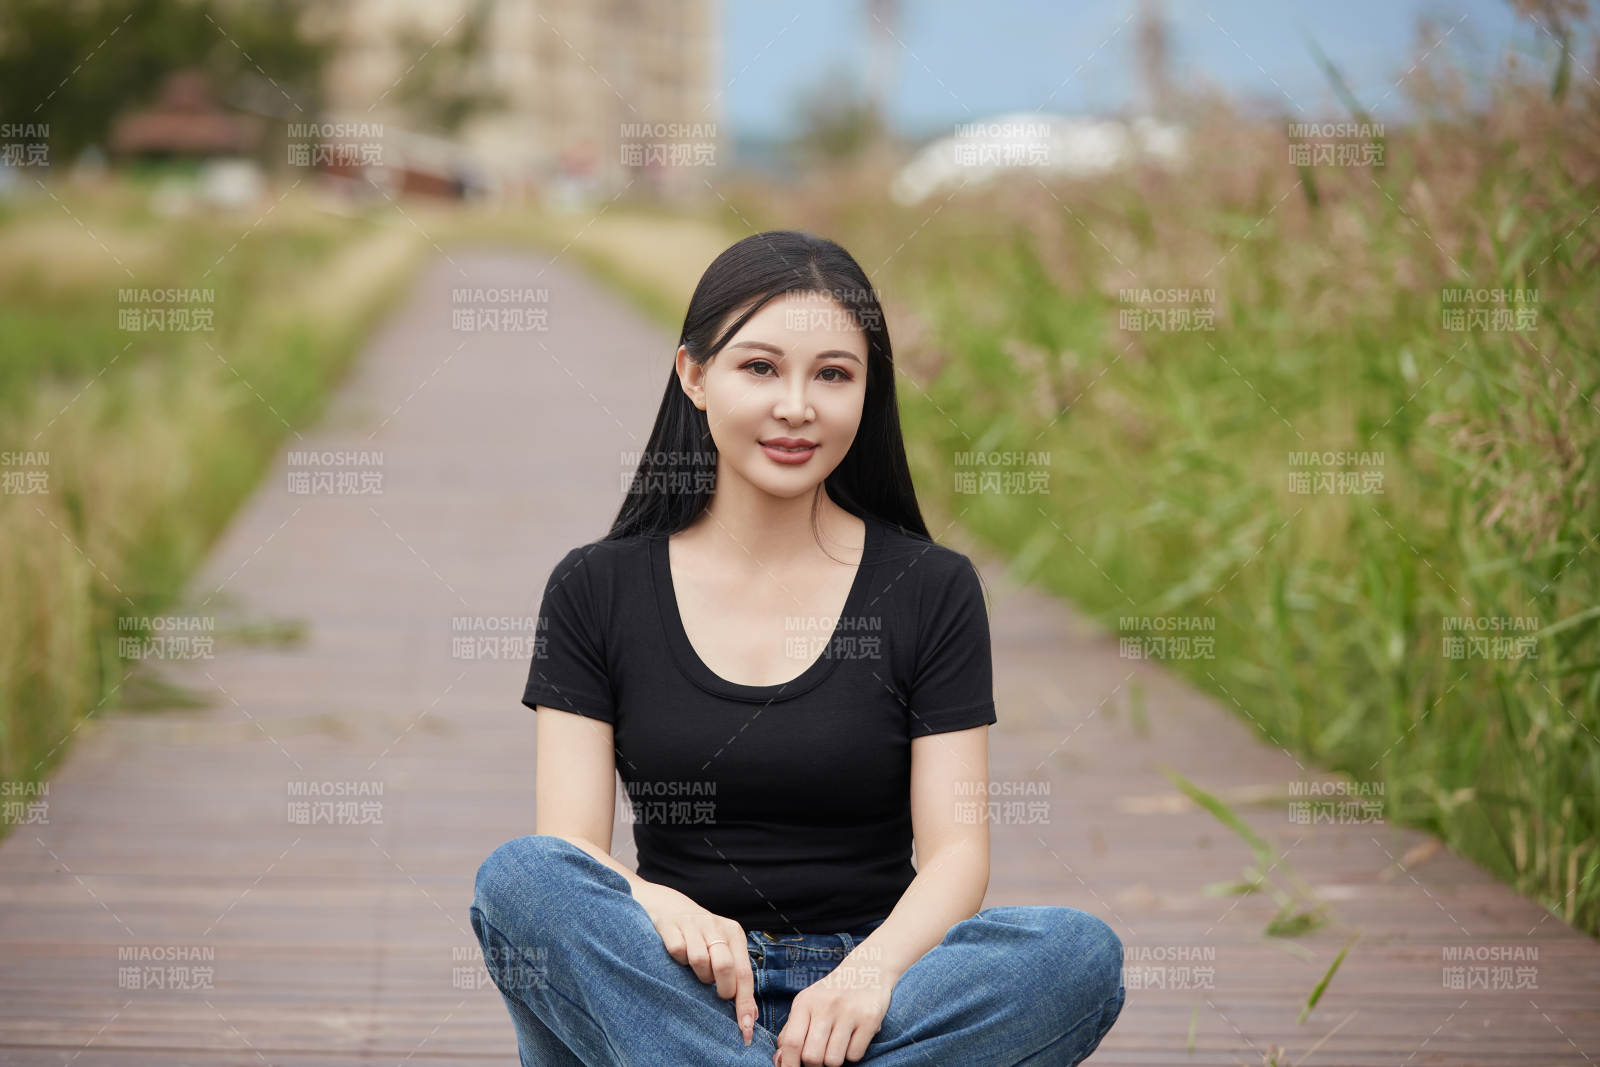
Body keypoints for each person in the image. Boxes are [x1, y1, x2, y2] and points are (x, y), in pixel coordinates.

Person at [469, 230, 1125, 1065]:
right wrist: (656, 905)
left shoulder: (930, 587)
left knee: (1075, 952)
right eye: (760, 367)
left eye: (833, 375)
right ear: (694, 375)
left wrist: (871, 971)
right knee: (522, 879)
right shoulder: (596, 588)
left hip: (873, 1001)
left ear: (866, 392)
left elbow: (958, 853)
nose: (796, 406)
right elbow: (573, 852)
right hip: (668, 988)